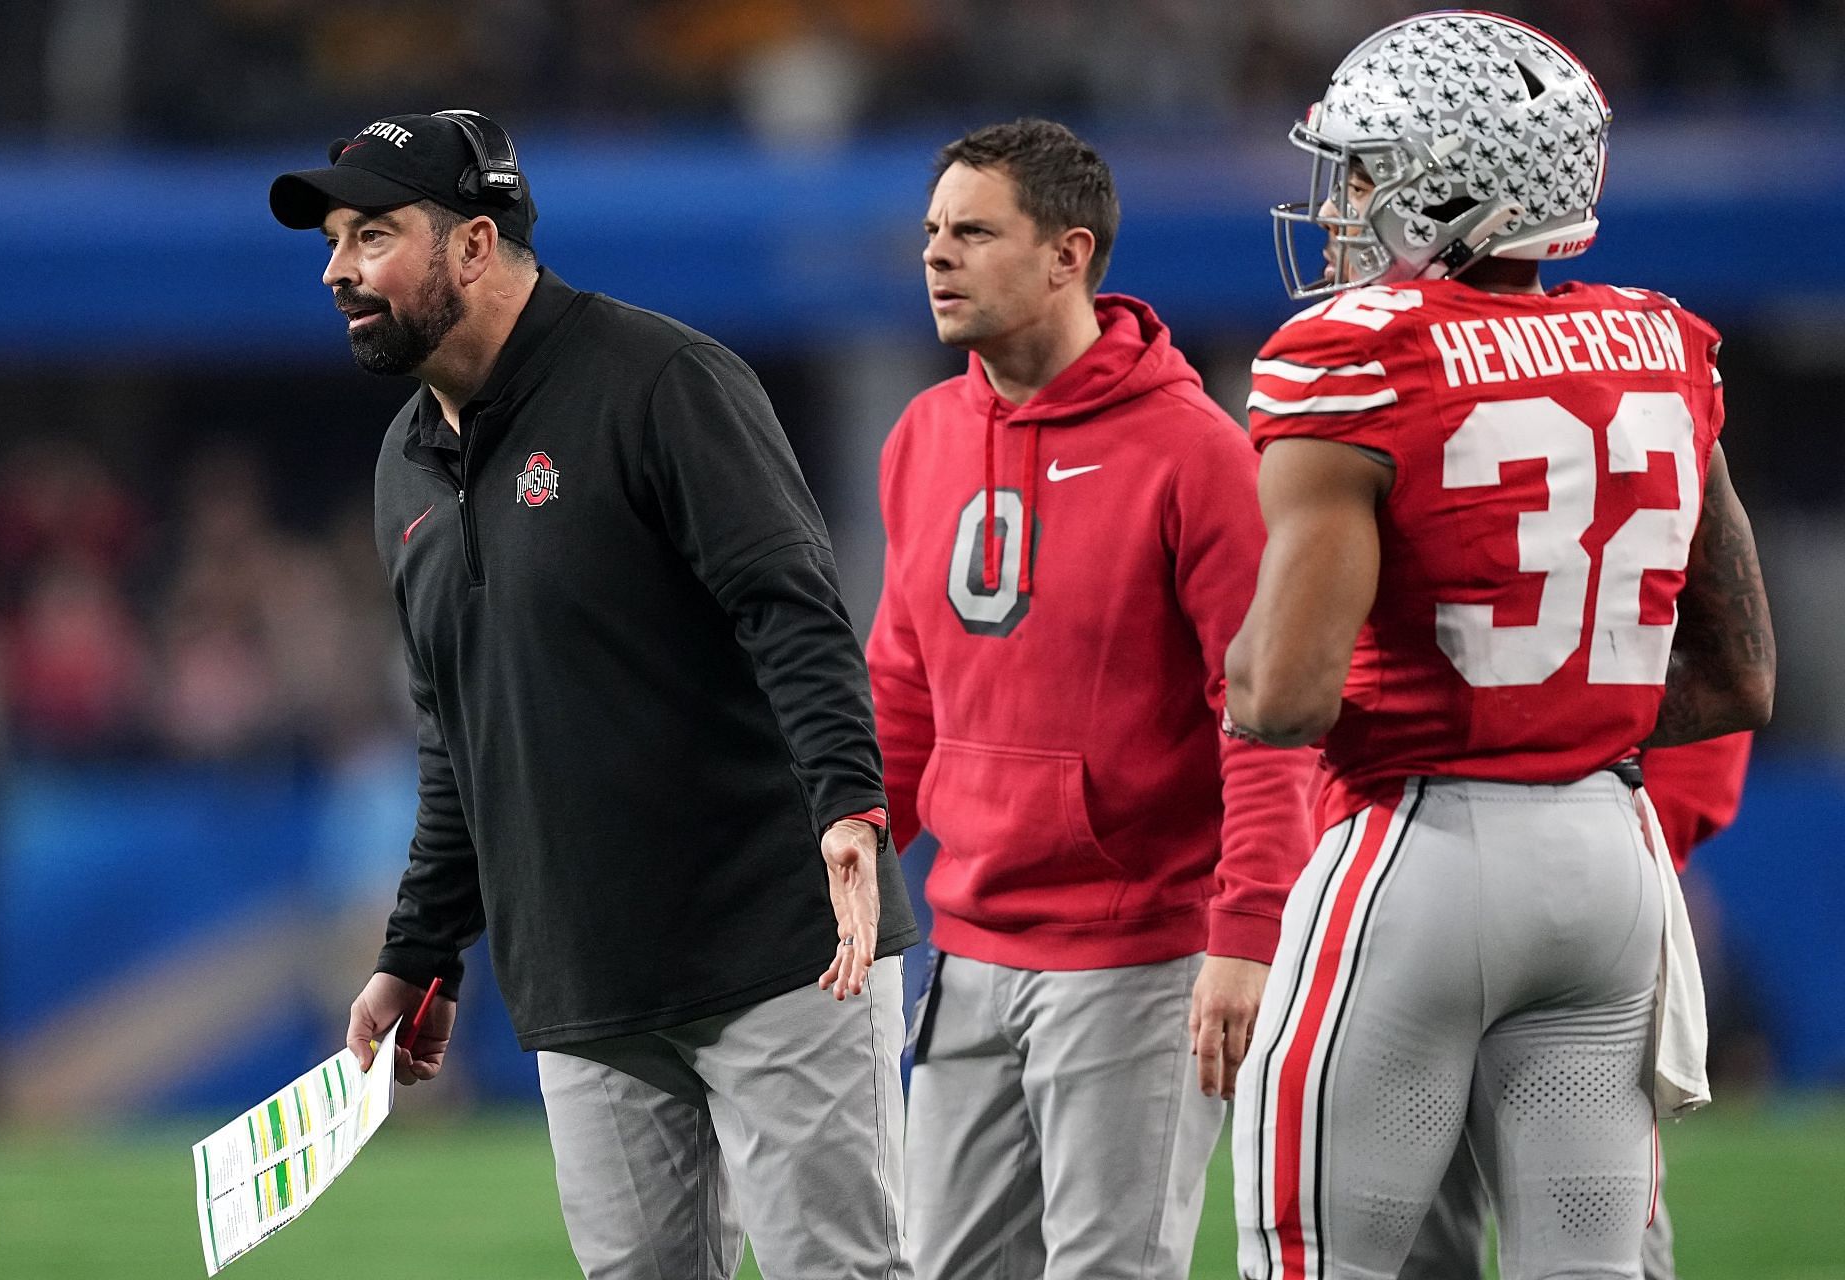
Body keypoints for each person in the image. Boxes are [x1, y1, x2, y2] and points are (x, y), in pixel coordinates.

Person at [268, 109, 919, 1279]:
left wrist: (847, 806)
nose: (337, 270)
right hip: (587, 984)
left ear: (474, 243)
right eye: (332, 242)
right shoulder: (402, 461)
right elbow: (458, 733)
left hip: (775, 950)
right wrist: (417, 952)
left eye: (371, 235)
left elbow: (792, 608)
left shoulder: (663, 379)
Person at [1221, 13, 1776, 1280]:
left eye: (1366, 170)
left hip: (1420, 849)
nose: (1343, 203)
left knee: (1312, 1257)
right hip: (1612, 862)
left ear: (1455, 183)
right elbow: (1742, 673)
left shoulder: (1357, 357)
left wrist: (1237, 658)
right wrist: (1557, 719)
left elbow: (1288, 694)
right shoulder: (1663, 345)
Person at [867, 117, 1316, 1279]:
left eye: (973, 232)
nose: (937, 256)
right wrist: (849, 859)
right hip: (966, 948)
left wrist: (1248, 926)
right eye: (931, 231)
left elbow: (1261, 712)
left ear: (1070, 253)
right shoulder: (922, 433)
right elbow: (903, 689)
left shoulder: (1196, 452)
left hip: (1138, 955)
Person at [1403, 731, 1756, 1280]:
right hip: (1414, 870)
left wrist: (1632, 836)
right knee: (1419, 1240)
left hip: (1570, 868)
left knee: (1600, 1251)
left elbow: (1723, 684)